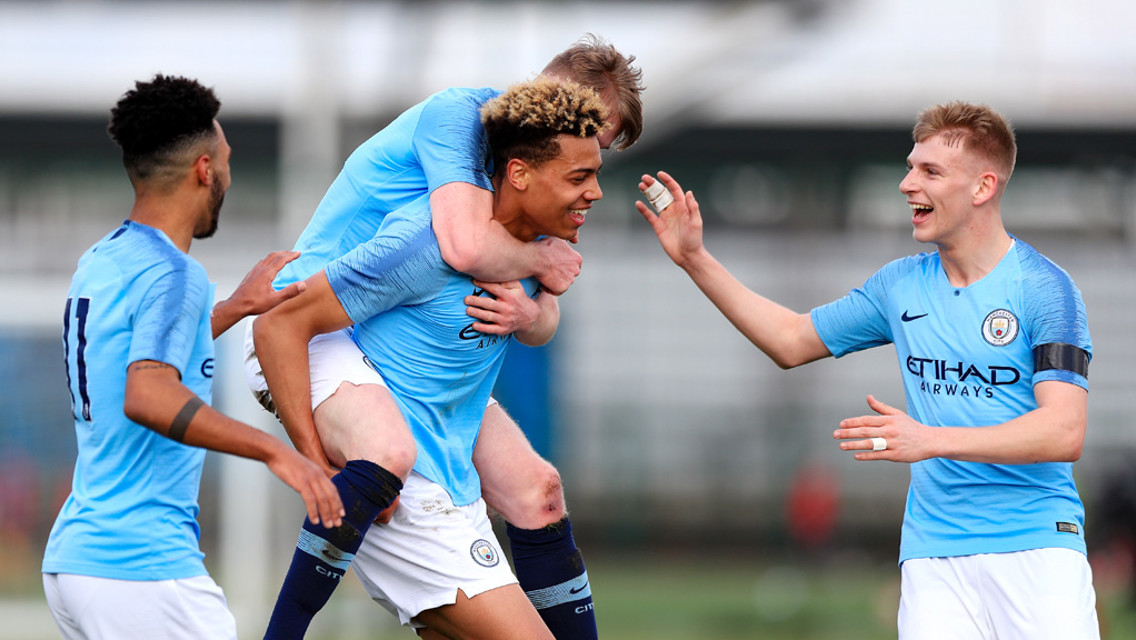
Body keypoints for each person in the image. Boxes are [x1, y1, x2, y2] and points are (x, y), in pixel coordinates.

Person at [638, 101, 1099, 639]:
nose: (907, 184)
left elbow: (1064, 431)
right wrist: (695, 258)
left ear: (982, 187)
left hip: (1037, 545)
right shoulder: (900, 285)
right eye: (909, 167)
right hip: (933, 552)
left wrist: (930, 438)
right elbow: (791, 340)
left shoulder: (1046, 289)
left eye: (930, 171)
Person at [243, 33, 643, 638]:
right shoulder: (458, 126)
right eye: (583, 158)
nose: (593, 180)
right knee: (386, 455)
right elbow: (456, 247)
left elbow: (539, 314)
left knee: (539, 490)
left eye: (601, 152)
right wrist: (312, 462)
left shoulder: (520, 214)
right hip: (310, 328)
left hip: (382, 343)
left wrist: (532, 306)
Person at [41, 74, 344, 640]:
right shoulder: (175, 276)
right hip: (141, 569)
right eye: (225, 160)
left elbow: (135, 360)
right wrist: (275, 452)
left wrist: (233, 309)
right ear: (205, 169)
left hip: (77, 563)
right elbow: (148, 393)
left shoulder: (106, 258)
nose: (226, 174)